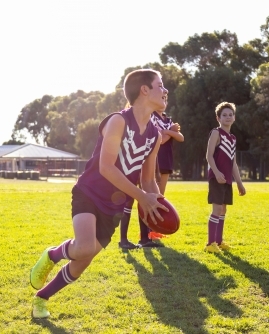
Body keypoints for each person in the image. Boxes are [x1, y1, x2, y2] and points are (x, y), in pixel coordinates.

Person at [29, 69, 168, 318]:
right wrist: (140, 196)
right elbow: (106, 168)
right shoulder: (118, 121)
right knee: (83, 247)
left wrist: (158, 203)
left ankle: (41, 298)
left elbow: (148, 179)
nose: (165, 90)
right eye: (160, 85)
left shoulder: (155, 135)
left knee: (83, 261)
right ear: (144, 90)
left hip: (114, 207)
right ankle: (52, 255)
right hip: (89, 192)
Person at [118, 109, 184, 249]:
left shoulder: (152, 124)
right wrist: (170, 131)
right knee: (128, 202)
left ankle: (145, 238)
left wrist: (168, 131)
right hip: (129, 165)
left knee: (146, 199)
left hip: (145, 165)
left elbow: (161, 139)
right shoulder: (129, 118)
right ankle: (123, 239)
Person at [204, 102, 246, 253]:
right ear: (218, 118)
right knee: (216, 209)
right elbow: (208, 155)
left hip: (227, 179)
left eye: (230, 115)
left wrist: (239, 183)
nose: (228, 117)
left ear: (234, 117)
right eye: (224, 115)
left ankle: (219, 241)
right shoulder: (216, 133)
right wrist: (216, 172)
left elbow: (233, 162)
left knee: (223, 210)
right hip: (216, 178)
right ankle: (210, 244)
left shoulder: (233, 138)